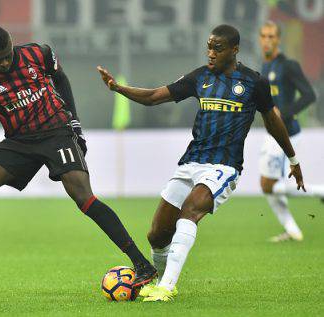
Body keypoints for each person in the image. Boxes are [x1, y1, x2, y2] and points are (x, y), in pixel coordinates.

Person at [0, 26, 156, 300]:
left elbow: (62, 81)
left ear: (13, 46)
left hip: (56, 131)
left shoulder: (38, 54)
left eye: (7, 56)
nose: (5, 63)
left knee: (83, 196)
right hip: (19, 141)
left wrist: (75, 125)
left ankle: (141, 264)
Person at [97, 24, 305, 302]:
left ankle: (166, 288)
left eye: (217, 48)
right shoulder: (200, 78)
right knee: (157, 235)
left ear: (234, 50)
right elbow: (154, 97)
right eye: (209, 46)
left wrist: (293, 159)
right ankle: (154, 280)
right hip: (191, 162)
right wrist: (118, 88)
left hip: (224, 166)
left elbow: (273, 122)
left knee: (190, 211)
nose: (211, 53)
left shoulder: (254, 83)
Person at [259, 21, 321, 242]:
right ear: (260, 39)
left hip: (288, 132)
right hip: (272, 132)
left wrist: (283, 113)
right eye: (264, 36)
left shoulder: (288, 65)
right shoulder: (264, 66)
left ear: (278, 39)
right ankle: (293, 230)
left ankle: (319, 191)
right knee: (267, 185)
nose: (267, 40)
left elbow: (309, 95)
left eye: (271, 36)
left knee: (269, 184)